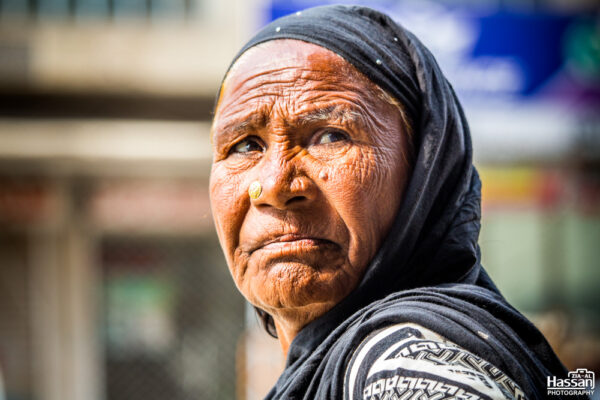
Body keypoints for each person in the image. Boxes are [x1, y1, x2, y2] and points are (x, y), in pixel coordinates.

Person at [209, 5, 584, 400]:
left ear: (424, 176)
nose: (273, 186)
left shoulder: (404, 362)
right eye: (245, 145)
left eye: (331, 136)